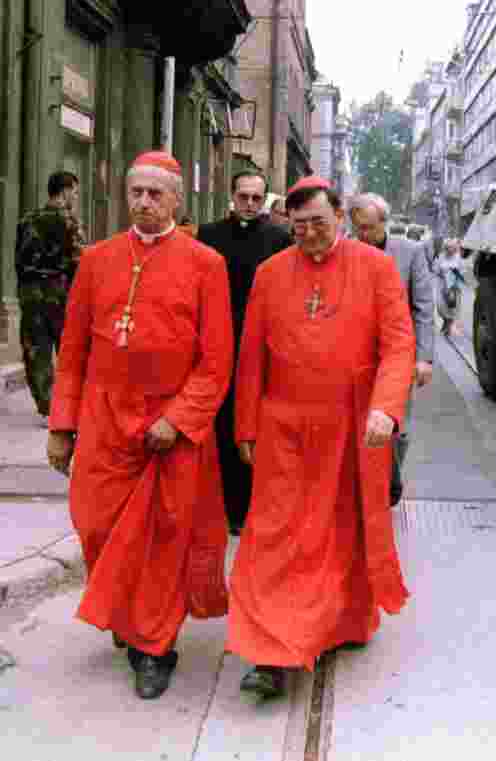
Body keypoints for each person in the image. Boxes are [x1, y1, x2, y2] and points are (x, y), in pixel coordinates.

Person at [46, 151, 234, 700]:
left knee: (160, 541)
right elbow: (74, 352)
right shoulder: (97, 260)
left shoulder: (205, 265)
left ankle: (154, 646)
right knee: (97, 527)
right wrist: (63, 426)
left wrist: (178, 419)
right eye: (136, 193)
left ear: (177, 199)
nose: (145, 203)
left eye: (156, 194)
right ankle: (127, 616)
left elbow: (216, 361)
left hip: (168, 430)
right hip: (105, 423)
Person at [227, 176, 415, 698]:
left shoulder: (375, 268)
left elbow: (399, 345)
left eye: (319, 224)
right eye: (299, 226)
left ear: (339, 218)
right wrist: (245, 424)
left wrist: (385, 408)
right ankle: (270, 654)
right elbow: (251, 357)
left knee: (339, 535)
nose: (308, 235)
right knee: (275, 539)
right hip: (284, 428)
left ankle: (338, 621)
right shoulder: (270, 274)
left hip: (352, 429)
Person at [198, 171, 292, 535]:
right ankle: (219, 505)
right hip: (216, 338)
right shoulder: (209, 235)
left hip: (261, 344)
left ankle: (247, 507)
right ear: (232, 196)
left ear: (264, 200)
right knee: (219, 424)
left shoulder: (279, 238)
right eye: (243, 197)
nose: (249, 204)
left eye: (256, 198)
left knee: (252, 426)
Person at [349, 193, 434, 480]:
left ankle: (390, 480)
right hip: (354, 353)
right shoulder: (346, 251)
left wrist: (423, 358)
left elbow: (423, 307)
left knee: (395, 421)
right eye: (358, 227)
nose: (364, 234)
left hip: (396, 355)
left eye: (369, 227)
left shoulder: (410, 252)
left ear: (384, 222)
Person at [15, 170, 86, 421]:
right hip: (60, 292)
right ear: (65, 191)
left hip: (31, 293)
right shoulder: (69, 222)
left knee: (36, 349)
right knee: (69, 349)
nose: (75, 198)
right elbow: (80, 262)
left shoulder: (26, 219)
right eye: (75, 192)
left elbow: (19, 260)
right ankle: (67, 405)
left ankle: (47, 405)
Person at [436, 238, 467, 337]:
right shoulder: (441, 256)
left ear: (455, 249)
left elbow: (463, 272)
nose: (449, 250)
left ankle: (448, 325)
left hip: (454, 287)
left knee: (451, 307)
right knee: (440, 307)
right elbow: (435, 268)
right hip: (442, 285)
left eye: (451, 248)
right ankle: (446, 321)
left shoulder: (459, 258)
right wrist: (440, 272)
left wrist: (457, 275)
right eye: (447, 248)